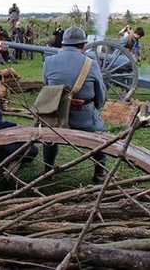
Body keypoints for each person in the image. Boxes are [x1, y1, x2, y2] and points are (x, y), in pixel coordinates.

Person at [42, 26, 108, 184]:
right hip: (84, 118)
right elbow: (101, 95)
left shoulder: (49, 62)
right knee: (101, 136)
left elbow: (47, 87)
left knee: (49, 136)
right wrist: (95, 109)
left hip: (56, 117)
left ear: (63, 44)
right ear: (82, 45)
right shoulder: (90, 64)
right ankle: (99, 174)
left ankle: (48, 169)